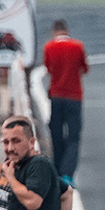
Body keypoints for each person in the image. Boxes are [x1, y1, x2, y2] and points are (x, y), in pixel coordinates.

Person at [42, 19, 91, 182]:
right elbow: (85, 68)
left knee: (56, 134)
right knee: (74, 136)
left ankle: (57, 170)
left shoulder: (49, 47)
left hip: (56, 95)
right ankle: (68, 173)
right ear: (67, 30)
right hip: (74, 96)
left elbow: (48, 68)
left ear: (54, 31)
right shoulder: (77, 46)